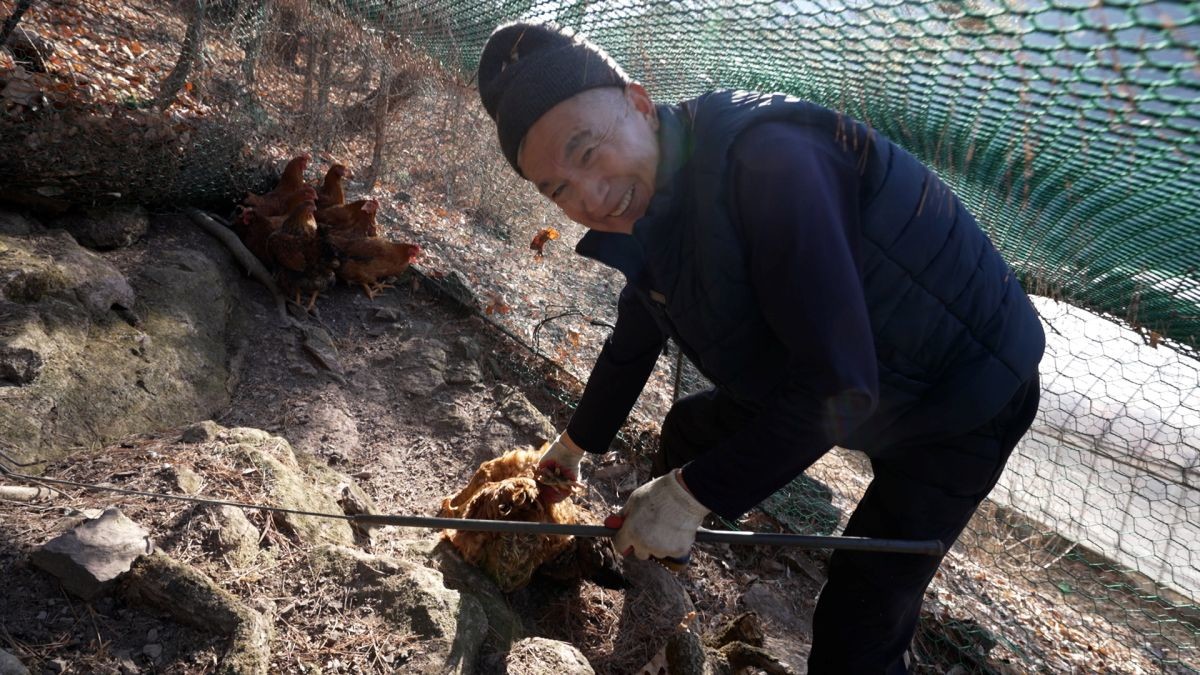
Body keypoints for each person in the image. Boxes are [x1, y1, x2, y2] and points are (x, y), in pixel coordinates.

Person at [476, 21, 1044, 673]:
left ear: (636, 101)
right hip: (848, 363)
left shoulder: (769, 161)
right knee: (691, 431)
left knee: (861, 613)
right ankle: (656, 591)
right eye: (558, 190)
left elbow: (840, 388)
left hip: (963, 389)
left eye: (586, 152)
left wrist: (690, 496)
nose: (591, 196)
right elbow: (639, 326)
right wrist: (576, 445)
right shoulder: (659, 203)